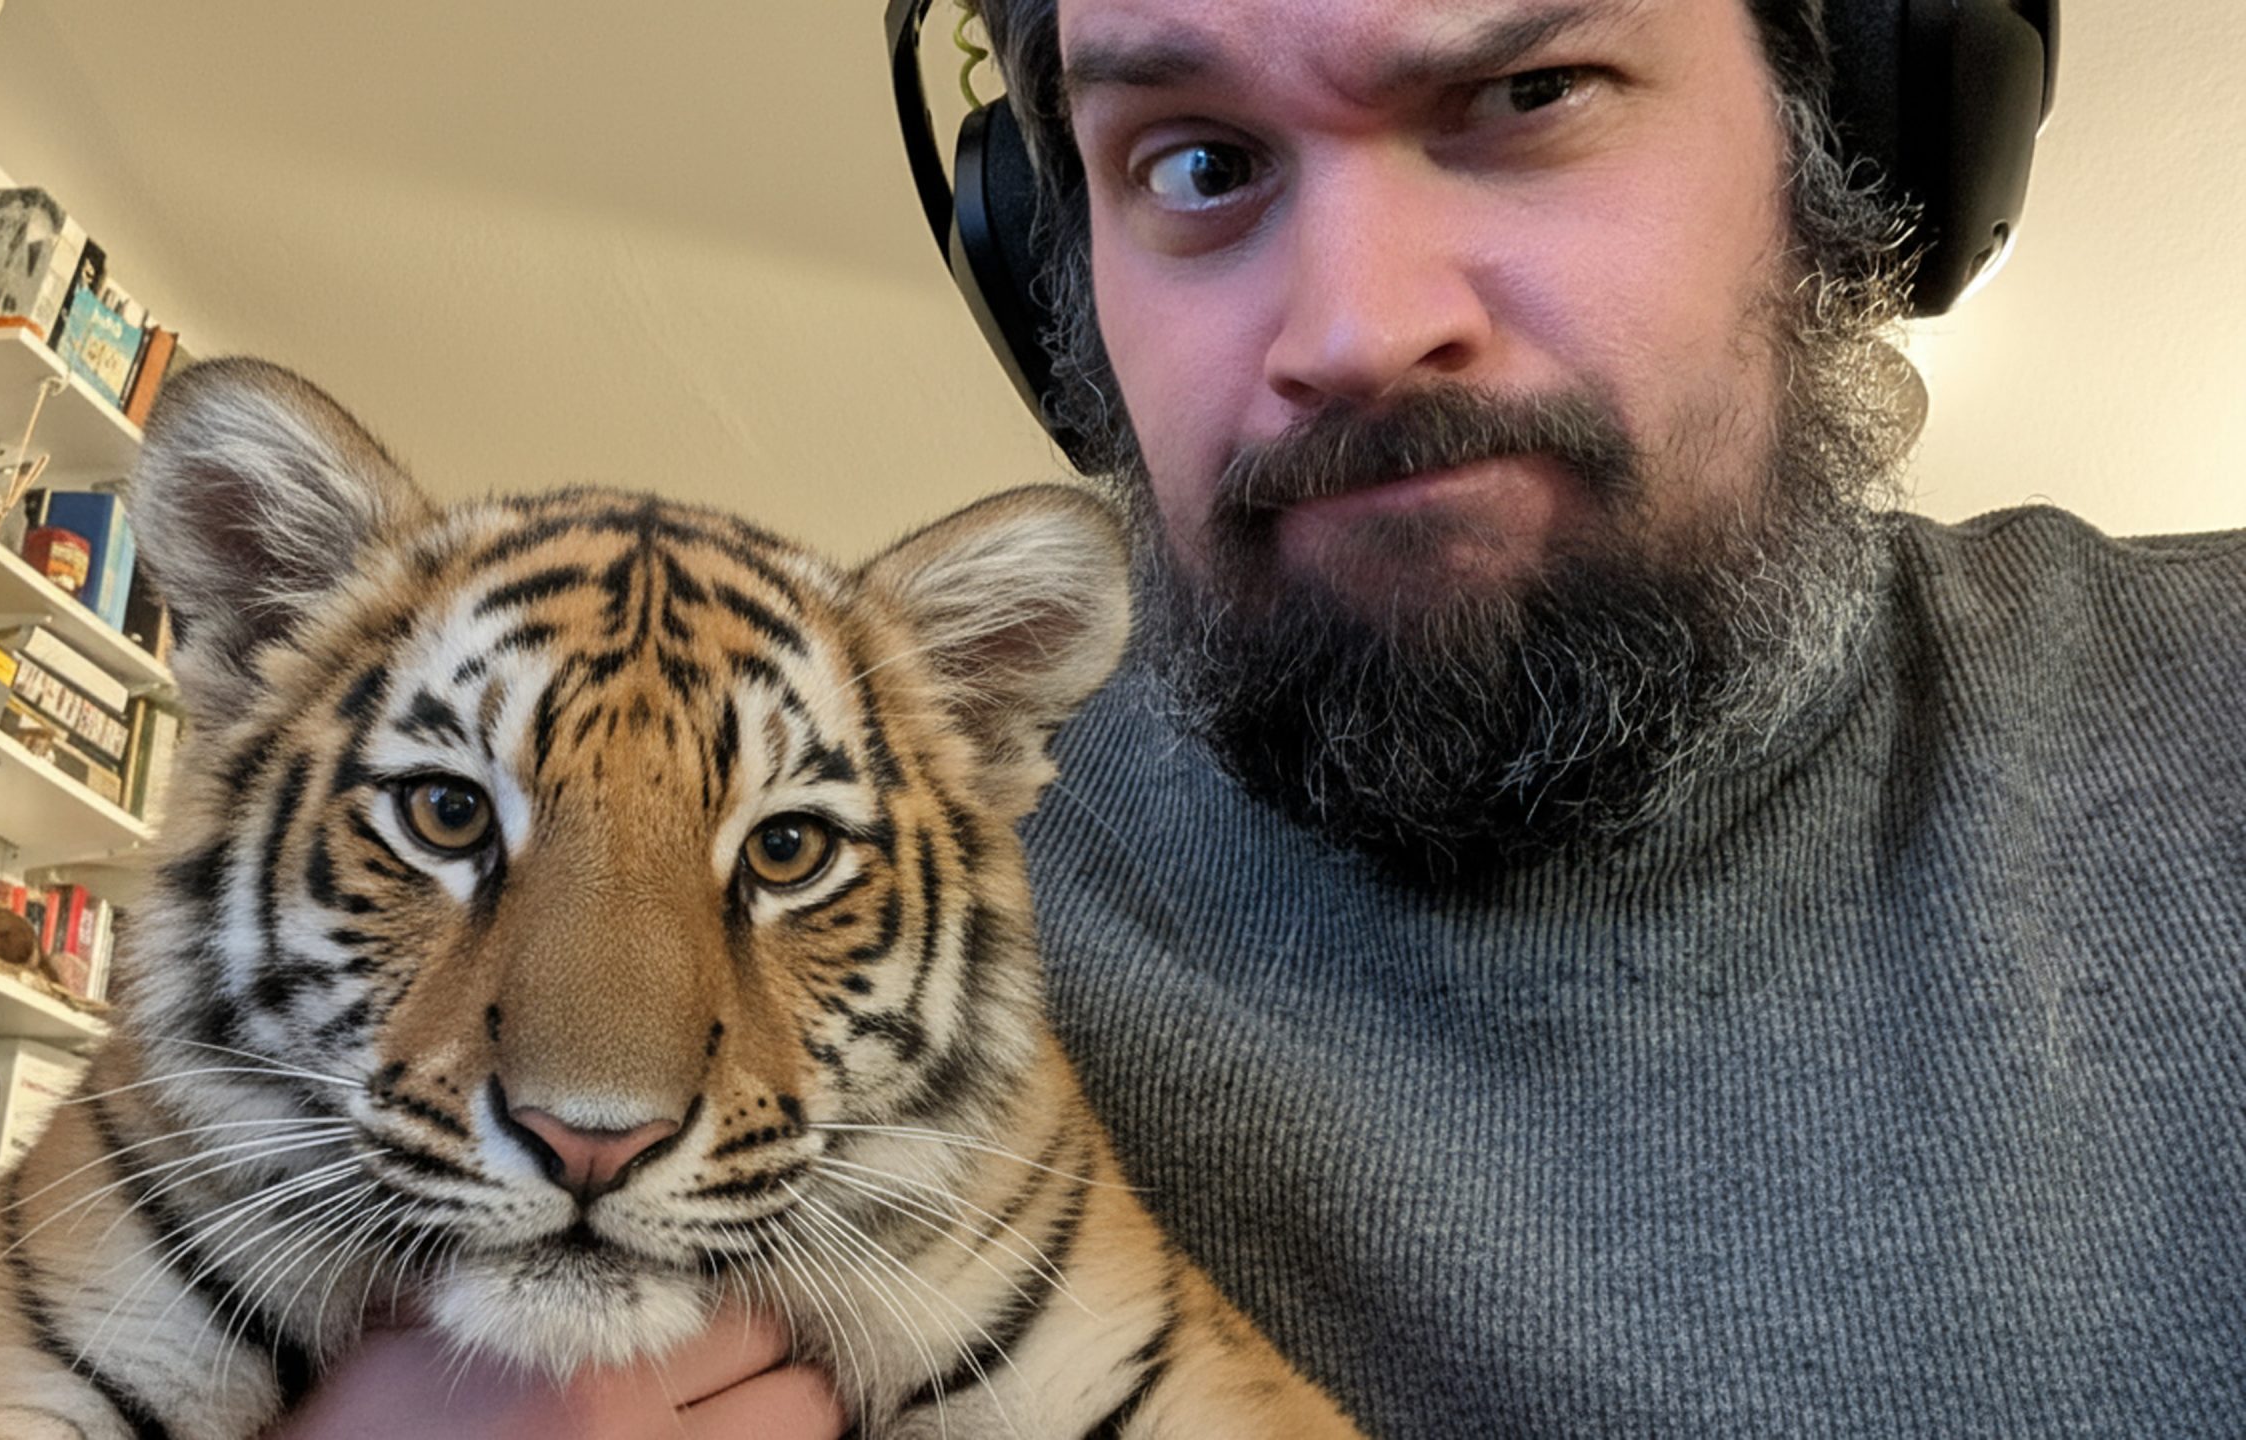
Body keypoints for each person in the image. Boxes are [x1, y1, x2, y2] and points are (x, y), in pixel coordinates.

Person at [283, 0, 2242, 1432]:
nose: (1349, 328)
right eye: (1200, 162)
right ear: (1047, 265)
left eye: (1522, 92)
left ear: (1849, 129)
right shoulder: (830, 927)